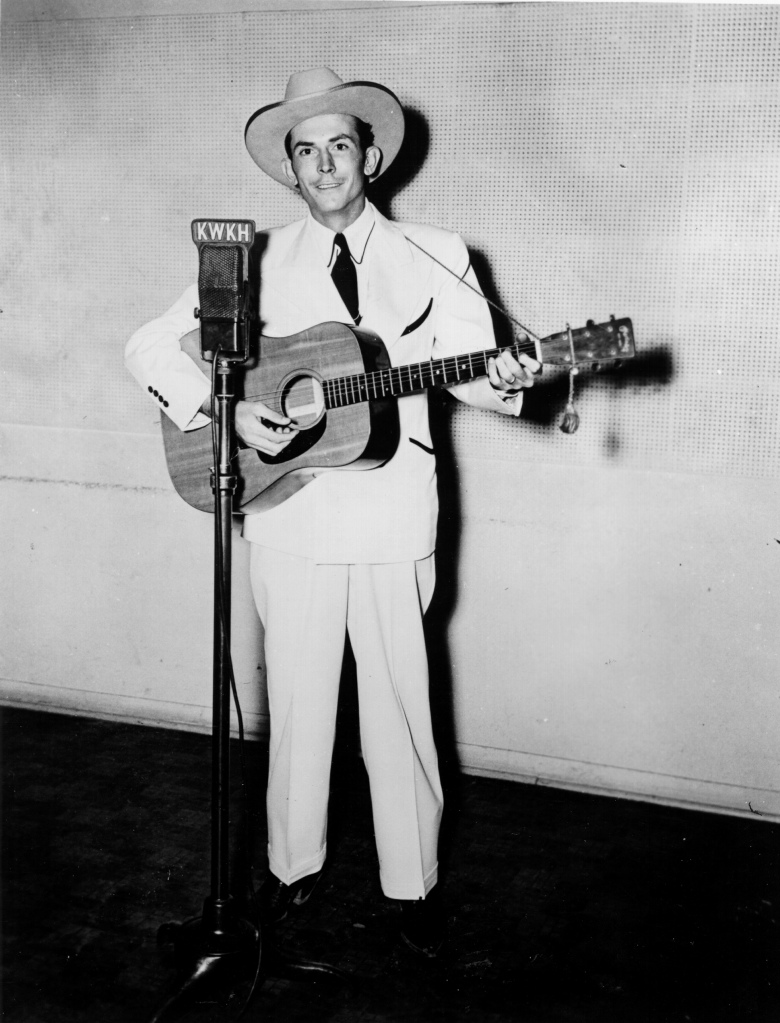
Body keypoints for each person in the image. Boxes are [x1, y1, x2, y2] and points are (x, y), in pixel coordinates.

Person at [125, 67, 541, 957]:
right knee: (300, 704)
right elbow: (148, 345)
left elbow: (470, 368)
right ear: (290, 168)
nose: (323, 166)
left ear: (371, 156)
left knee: (398, 704)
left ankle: (414, 887)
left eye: (339, 146)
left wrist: (503, 381)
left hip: (395, 515)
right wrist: (225, 409)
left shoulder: (437, 251)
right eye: (305, 151)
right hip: (290, 511)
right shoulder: (254, 258)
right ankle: (288, 872)